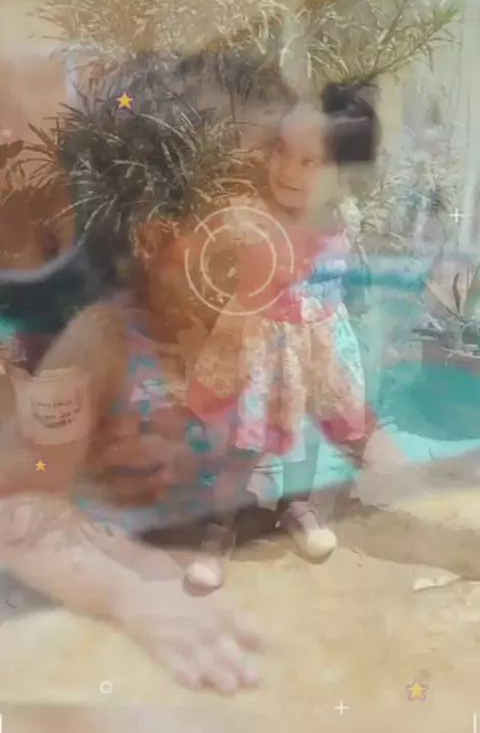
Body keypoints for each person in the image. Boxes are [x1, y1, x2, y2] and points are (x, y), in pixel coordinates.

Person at [0, 50, 286, 694]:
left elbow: (354, 432)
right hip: (107, 604)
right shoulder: (101, 348)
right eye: (263, 211)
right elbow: (17, 503)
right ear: (158, 238)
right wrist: (129, 591)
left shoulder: (265, 329)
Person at [185, 82, 380, 590]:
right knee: (243, 446)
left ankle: (297, 506)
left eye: (309, 161)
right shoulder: (253, 213)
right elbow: (219, 258)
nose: (288, 170)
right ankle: (218, 529)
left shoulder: (344, 219)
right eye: (282, 151)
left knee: (307, 437)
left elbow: (344, 279)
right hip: (260, 351)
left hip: (316, 351)